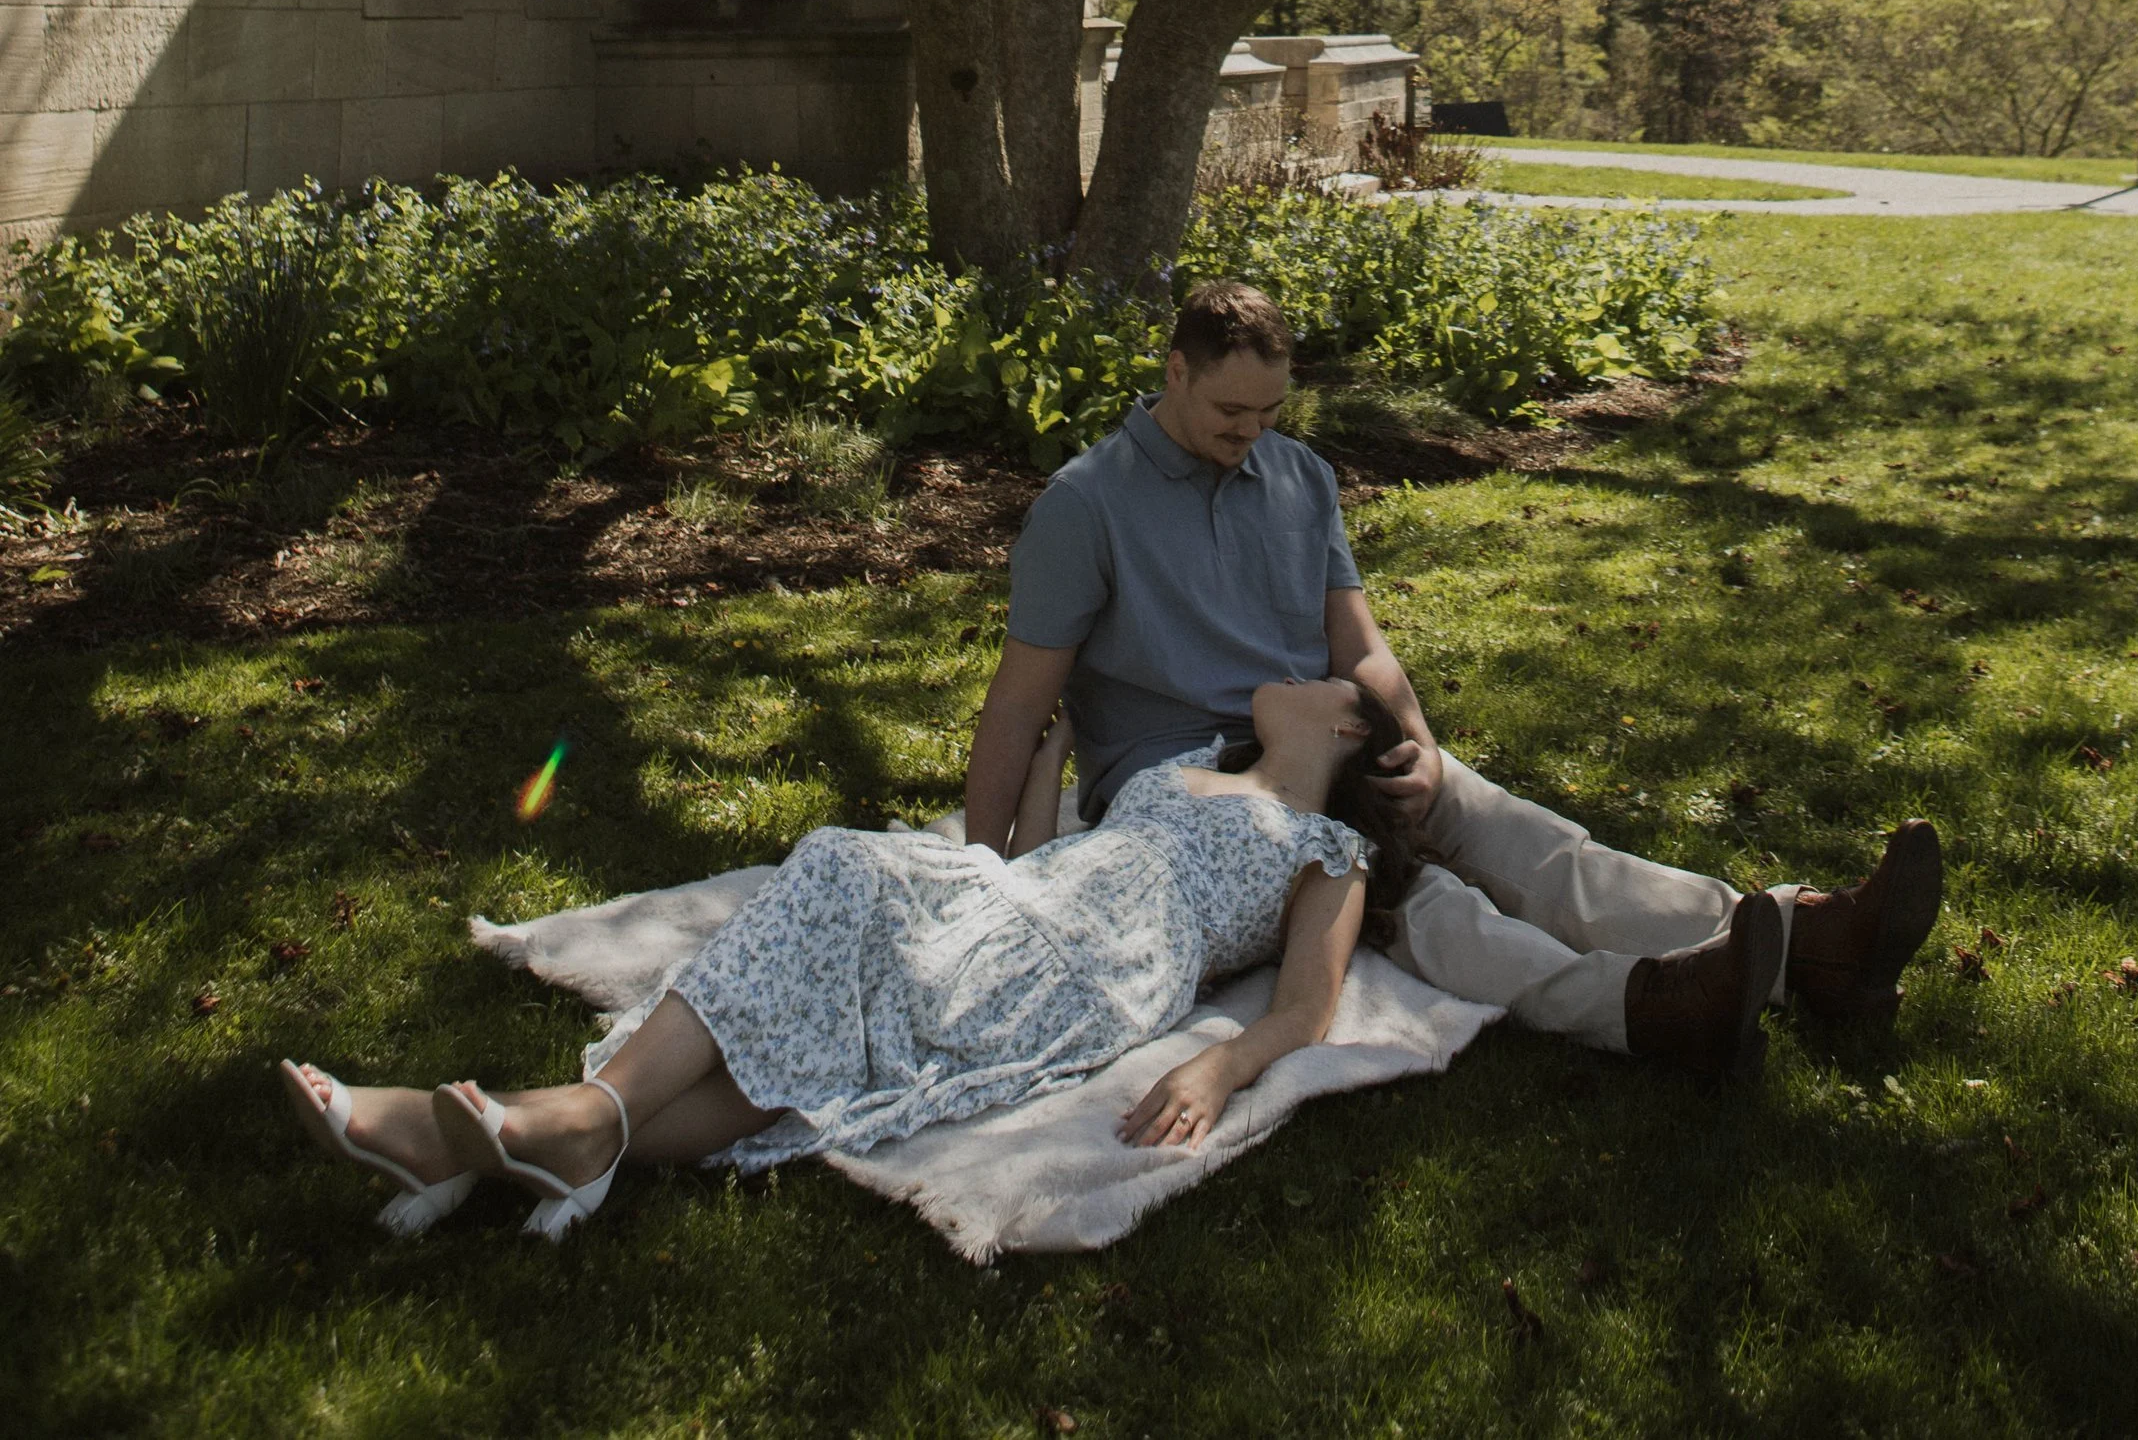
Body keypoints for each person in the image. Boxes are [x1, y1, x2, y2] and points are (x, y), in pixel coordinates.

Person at [962, 278, 1941, 1085]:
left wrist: (1418, 746)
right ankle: (1645, 1010)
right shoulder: (1085, 507)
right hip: (1190, 786)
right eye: (1228, 411)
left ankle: (1796, 935)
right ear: (1173, 372)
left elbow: (1364, 646)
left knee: (1515, 833)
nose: (1250, 433)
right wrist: (980, 879)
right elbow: (1016, 705)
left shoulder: (1297, 477)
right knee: (1413, 892)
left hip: (1328, 730)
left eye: (1269, 412)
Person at [278, 674, 1452, 1241]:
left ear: (1348, 728)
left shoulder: (1326, 845)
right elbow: (1047, 854)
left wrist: (1217, 1068)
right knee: (819, 973)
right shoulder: (1177, 769)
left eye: (1320, 677)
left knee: (836, 892)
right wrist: (1048, 755)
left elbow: (1304, 1008)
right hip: (1022, 897)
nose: (1292, 671)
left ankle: (505, 1136)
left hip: (1100, 965)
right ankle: (556, 1134)